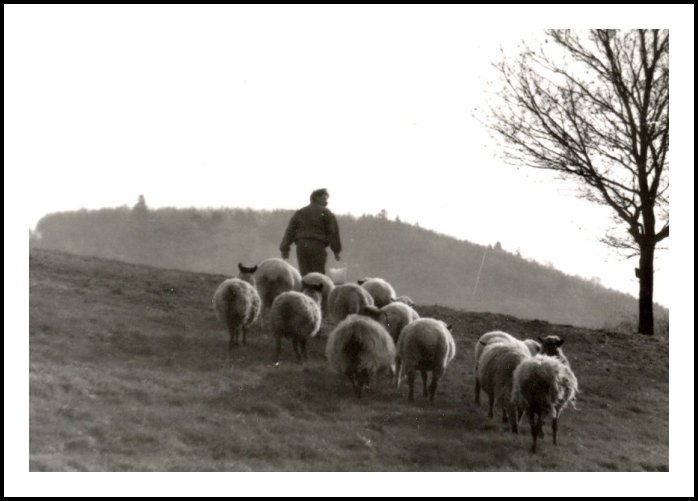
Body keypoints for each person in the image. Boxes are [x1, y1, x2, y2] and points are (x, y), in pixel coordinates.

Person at [280, 188, 342, 277]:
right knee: (318, 276)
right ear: (316, 198)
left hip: (301, 246)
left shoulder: (300, 212)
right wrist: (336, 251)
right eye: (324, 198)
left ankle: (305, 290)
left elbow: (290, 231)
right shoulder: (326, 213)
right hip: (317, 246)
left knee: (305, 276)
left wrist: (284, 249)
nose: (326, 202)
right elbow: (333, 233)